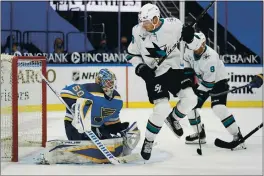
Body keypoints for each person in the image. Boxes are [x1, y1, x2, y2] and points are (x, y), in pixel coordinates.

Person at [127, 3, 199, 160]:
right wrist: (140, 68)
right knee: (162, 108)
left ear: (155, 18)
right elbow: (131, 54)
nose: (143, 25)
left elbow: (195, 45)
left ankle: (174, 118)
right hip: (154, 75)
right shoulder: (137, 31)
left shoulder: (174, 25)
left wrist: (190, 37)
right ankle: (149, 140)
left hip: (174, 70)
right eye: (142, 21)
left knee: (191, 99)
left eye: (146, 21)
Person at [44, 68, 140, 164]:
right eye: (107, 82)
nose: (109, 85)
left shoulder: (117, 99)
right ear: (99, 81)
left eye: (111, 82)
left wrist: (120, 129)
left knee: (110, 140)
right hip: (75, 126)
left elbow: (110, 122)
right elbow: (65, 92)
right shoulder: (92, 89)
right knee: (83, 140)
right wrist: (74, 106)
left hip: (95, 128)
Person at [182, 32, 246, 150]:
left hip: (218, 82)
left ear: (204, 43)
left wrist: (198, 94)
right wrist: (188, 76)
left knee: (218, 108)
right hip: (204, 81)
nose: (195, 50)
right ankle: (200, 134)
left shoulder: (211, 57)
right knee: (190, 106)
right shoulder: (189, 48)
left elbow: (209, 84)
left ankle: (238, 136)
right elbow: (186, 62)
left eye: (198, 47)